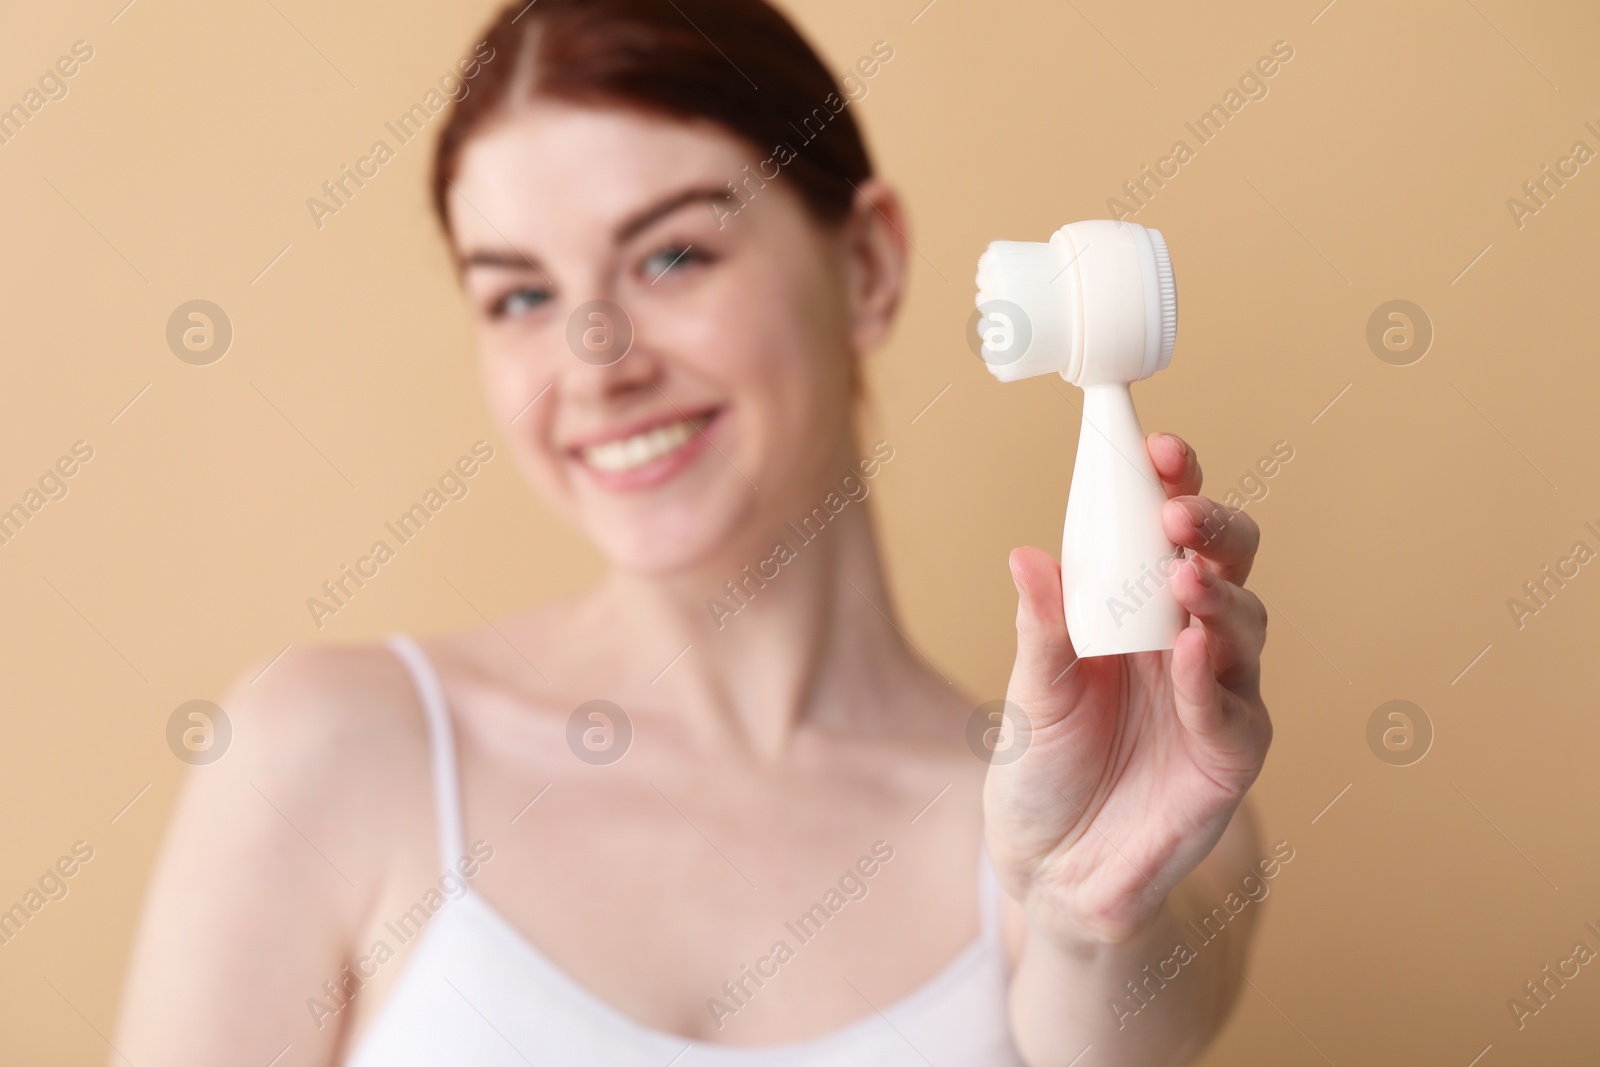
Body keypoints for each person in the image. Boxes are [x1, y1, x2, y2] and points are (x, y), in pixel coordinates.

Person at [114, 0, 1273, 1063]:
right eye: (519, 294)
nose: (596, 361)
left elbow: (1114, 1002)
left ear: (866, 264)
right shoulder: (321, 758)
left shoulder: (1109, 820)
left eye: (672, 254)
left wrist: (1086, 910)